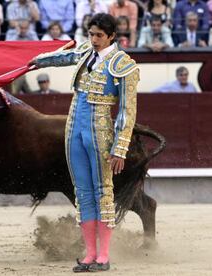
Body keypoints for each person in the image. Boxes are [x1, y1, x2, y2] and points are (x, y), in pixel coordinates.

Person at [29, 13, 139, 272]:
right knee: (82, 192)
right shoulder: (85, 53)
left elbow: (126, 111)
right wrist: (32, 61)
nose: (94, 39)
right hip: (74, 125)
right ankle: (89, 254)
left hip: (100, 129)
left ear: (112, 36)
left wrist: (120, 148)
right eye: (91, 34)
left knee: (103, 191)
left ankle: (104, 256)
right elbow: (59, 57)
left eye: (99, 35)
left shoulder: (124, 64)